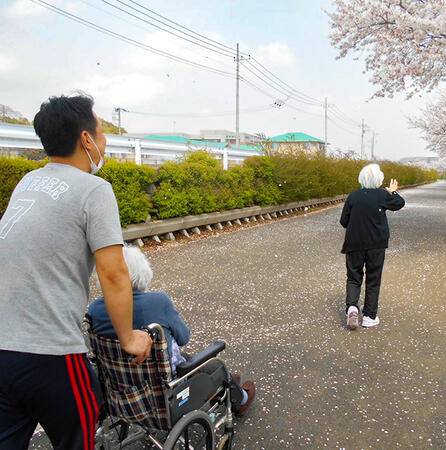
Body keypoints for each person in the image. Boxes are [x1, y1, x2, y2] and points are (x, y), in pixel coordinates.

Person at [0, 94, 152, 449]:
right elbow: (114, 275)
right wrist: (128, 337)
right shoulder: (94, 190)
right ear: (86, 139)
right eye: (101, 134)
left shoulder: (27, 183)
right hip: (51, 356)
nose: (103, 142)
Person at [88, 245, 256, 416]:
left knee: (192, 362)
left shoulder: (95, 309)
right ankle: (240, 399)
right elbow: (184, 337)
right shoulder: (158, 302)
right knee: (215, 365)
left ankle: (225, 385)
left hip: (122, 393)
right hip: (165, 395)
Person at [340, 163, 405, 329]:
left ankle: (352, 308)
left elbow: (344, 222)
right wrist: (392, 191)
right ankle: (369, 315)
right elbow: (399, 203)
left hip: (354, 243)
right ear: (379, 180)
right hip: (376, 244)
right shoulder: (382, 195)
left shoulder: (353, 196)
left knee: (354, 277)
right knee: (373, 278)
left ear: (361, 179)